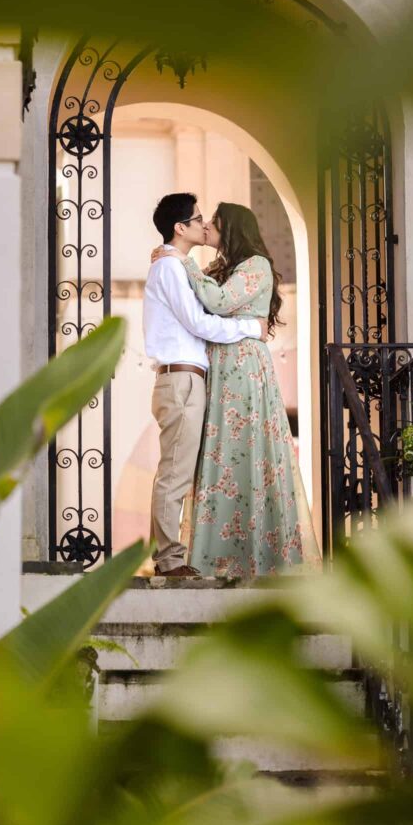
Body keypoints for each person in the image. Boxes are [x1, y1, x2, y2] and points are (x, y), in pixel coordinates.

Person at [151, 201, 320, 579]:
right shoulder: (216, 268)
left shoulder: (254, 266)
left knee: (247, 453)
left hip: (242, 368)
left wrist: (183, 261)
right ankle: (217, 557)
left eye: (214, 221)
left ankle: (260, 557)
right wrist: (175, 260)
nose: (207, 225)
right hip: (217, 369)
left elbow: (218, 302)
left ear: (232, 230)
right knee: (220, 457)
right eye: (201, 219)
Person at [143, 193, 269, 578]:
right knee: (175, 473)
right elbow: (201, 322)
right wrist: (252, 328)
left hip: (188, 378)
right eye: (198, 219)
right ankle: (169, 561)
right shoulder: (170, 268)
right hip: (180, 378)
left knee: (181, 471)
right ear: (180, 228)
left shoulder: (178, 266)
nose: (205, 224)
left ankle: (174, 556)